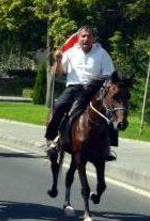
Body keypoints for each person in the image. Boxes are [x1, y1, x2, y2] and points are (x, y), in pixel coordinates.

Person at [45, 25, 117, 159]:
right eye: (83, 36)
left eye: (89, 36)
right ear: (78, 38)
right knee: (59, 106)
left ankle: (108, 147)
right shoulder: (71, 52)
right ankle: (52, 141)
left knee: (111, 111)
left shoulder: (102, 53)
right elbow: (58, 73)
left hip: (95, 90)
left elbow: (109, 74)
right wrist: (59, 60)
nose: (86, 39)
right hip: (74, 88)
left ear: (93, 38)